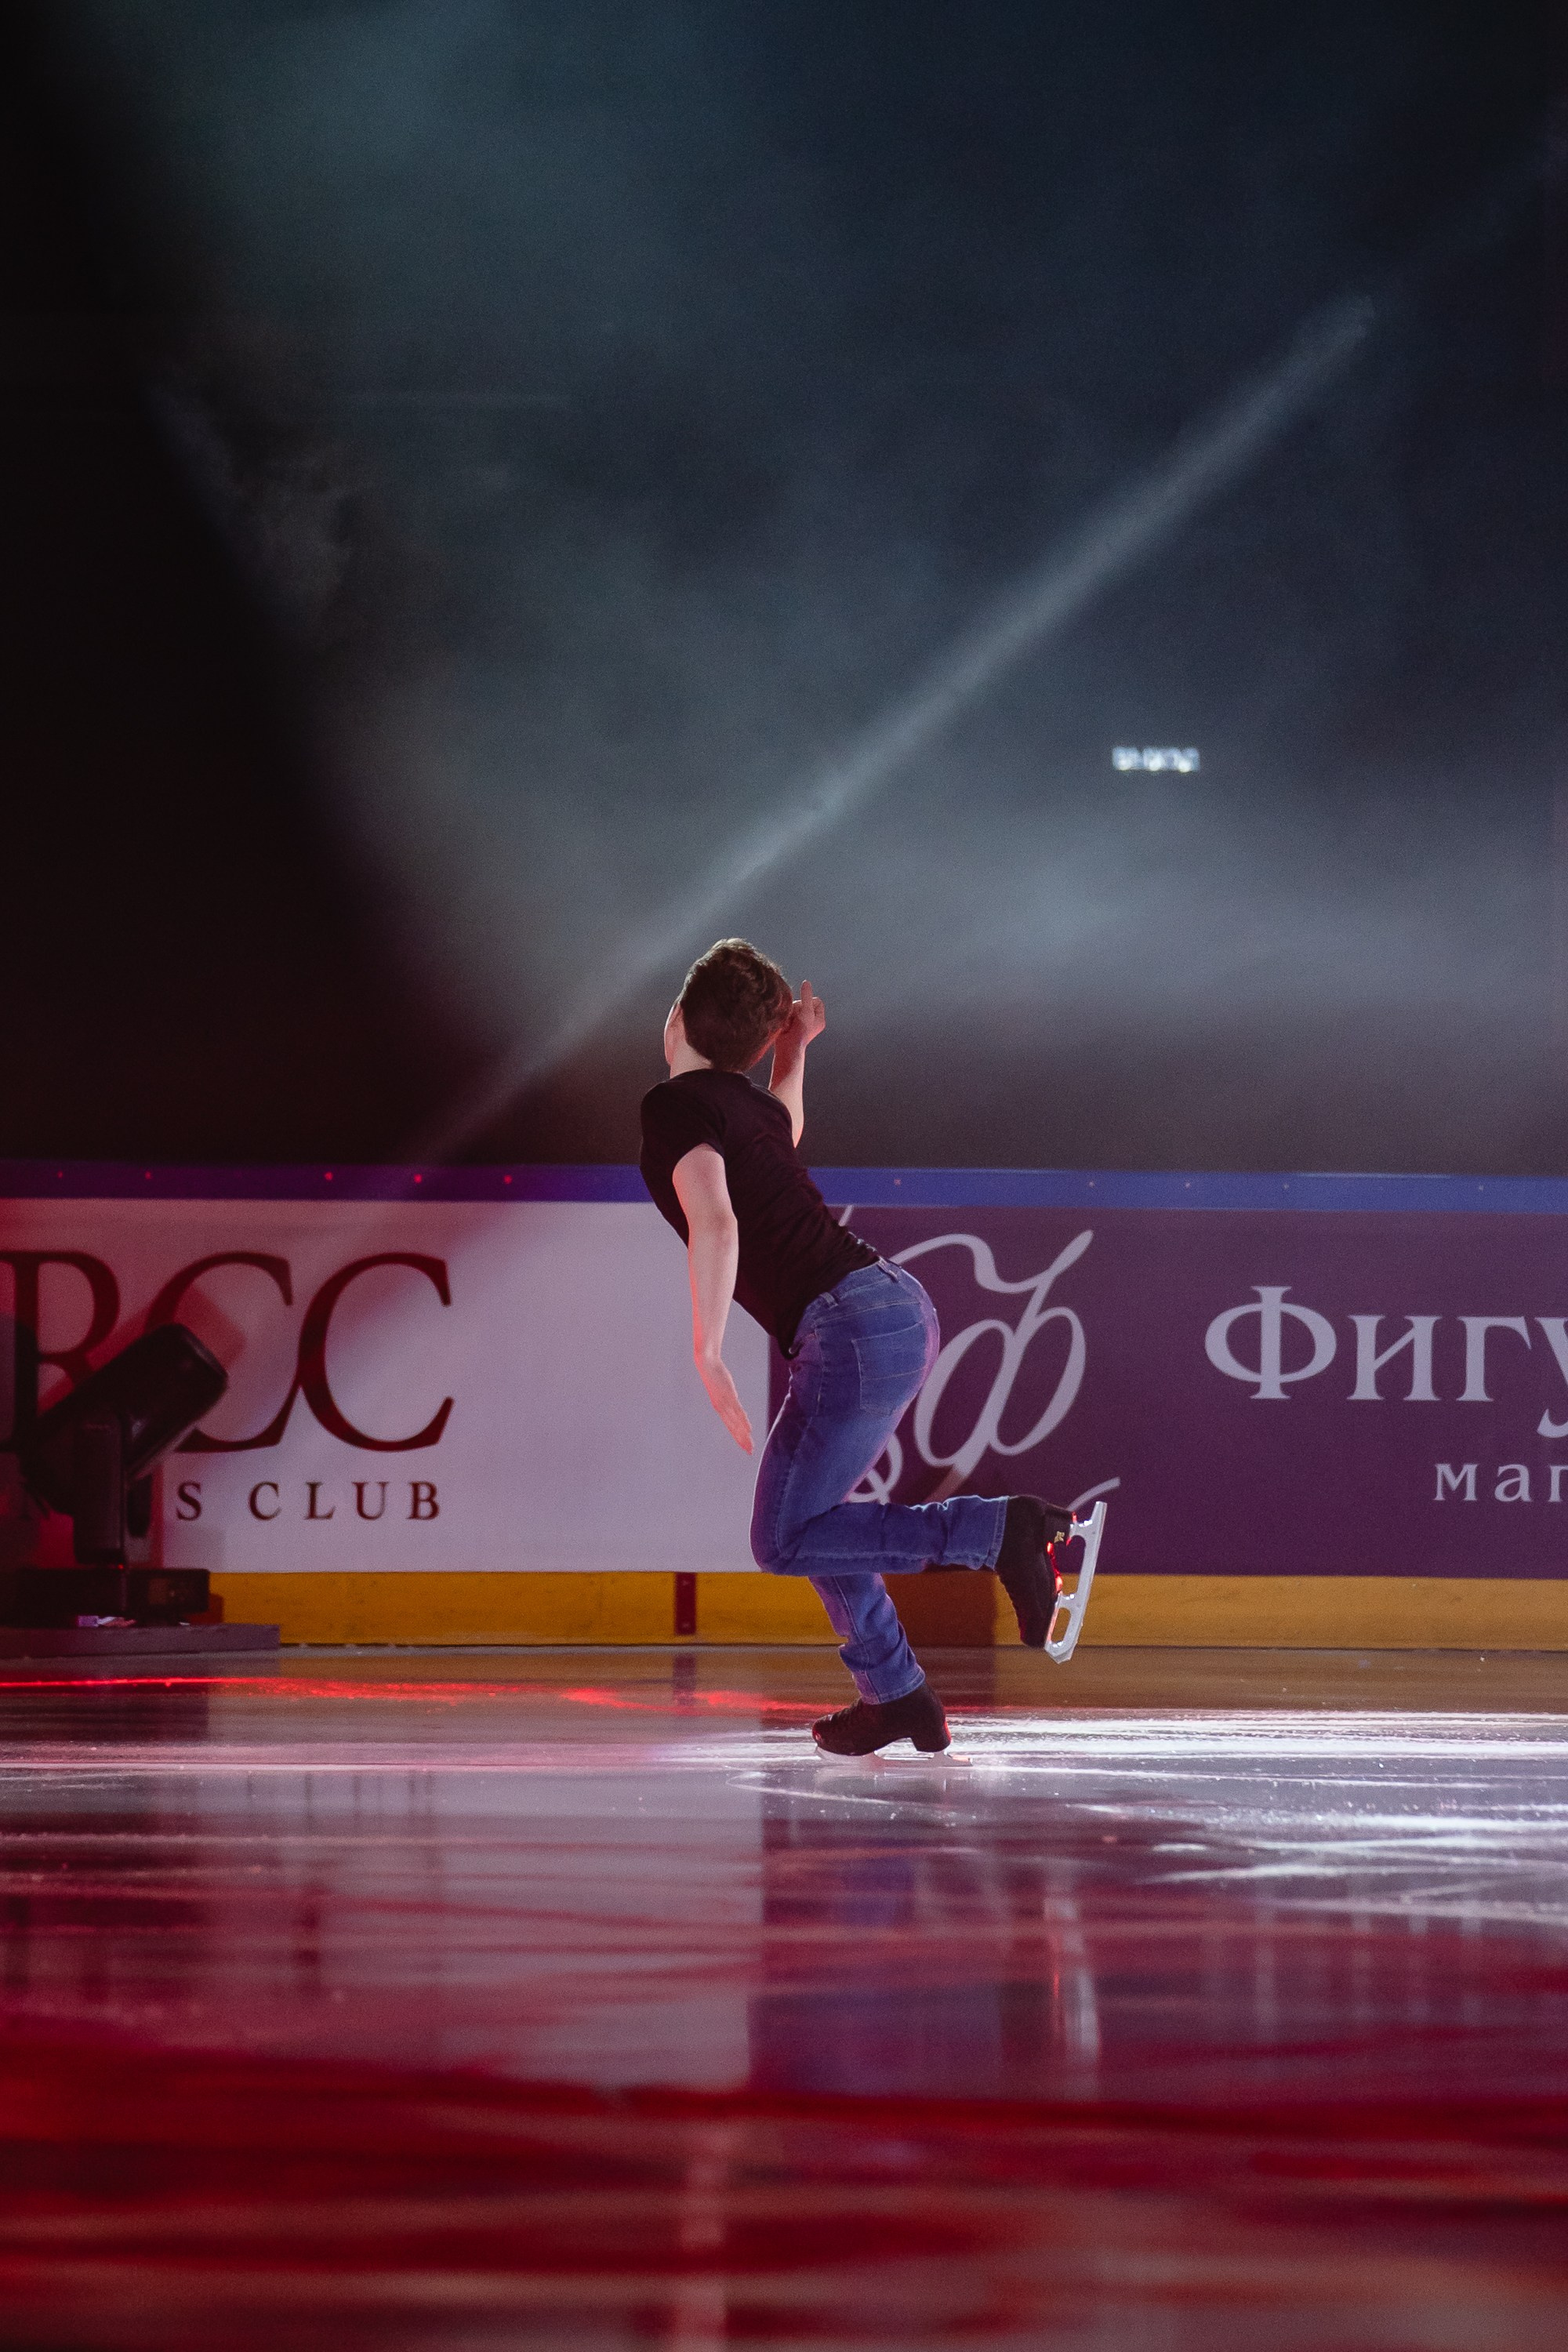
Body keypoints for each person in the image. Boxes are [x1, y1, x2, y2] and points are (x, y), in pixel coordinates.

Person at [639, 938, 1074, 1755]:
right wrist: (794, 1053)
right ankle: (896, 1694)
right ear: (759, 1045)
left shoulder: (672, 1109)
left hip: (851, 1325)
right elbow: (784, 1124)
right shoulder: (747, 1109)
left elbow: (716, 1219)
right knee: (816, 1521)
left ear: (674, 1018)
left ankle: (998, 1532)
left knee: (783, 1538)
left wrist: (708, 1351)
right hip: (882, 1310)